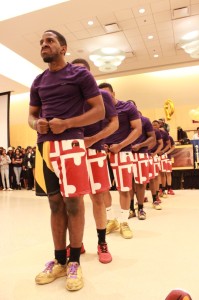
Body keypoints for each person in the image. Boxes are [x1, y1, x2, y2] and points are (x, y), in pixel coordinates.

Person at [28, 30, 105, 291]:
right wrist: (35, 124)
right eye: (41, 42)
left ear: (63, 47)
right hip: (45, 148)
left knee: (74, 203)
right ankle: (59, 261)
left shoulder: (80, 74)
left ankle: (74, 262)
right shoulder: (38, 81)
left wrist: (68, 123)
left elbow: (99, 110)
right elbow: (31, 115)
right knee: (54, 204)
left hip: (72, 145)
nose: (44, 45)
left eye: (49, 41)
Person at [66, 58, 119, 264]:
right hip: (72, 153)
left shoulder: (102, 95)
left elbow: (114, 124)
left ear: (89, 74)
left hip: (95, 152)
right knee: (75, 202)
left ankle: (102, 242)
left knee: (98, 199)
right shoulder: (67, 96)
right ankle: (77, 244)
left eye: (82, 72)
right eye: (74, 71)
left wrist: (93, 140)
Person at [98, 83, 142, 239]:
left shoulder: (127, 107)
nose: (104, 99)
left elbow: (138, 129)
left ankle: (124, 221)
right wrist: (100, 142)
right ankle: (111, 219)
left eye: (107, 95)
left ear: (114, 93)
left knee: (124, 188)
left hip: (123, 152)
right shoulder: (98, 109)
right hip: (102, 153)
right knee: (102, 188)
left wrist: (121, 145)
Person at [129, 111, 156, 220]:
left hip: (141, 154)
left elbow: (152, 137)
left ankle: (140, 208)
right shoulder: (123, 120)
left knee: (141, 182)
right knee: (128, 183)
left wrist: (141, 145)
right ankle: (130, 209)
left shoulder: (144, 120)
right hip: (126, 154)